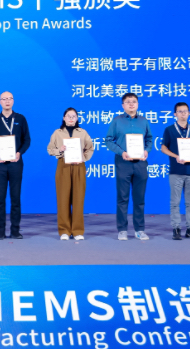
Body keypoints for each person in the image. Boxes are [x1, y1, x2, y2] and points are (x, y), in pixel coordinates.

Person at [105, 93, 153, 241]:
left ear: (137, 104)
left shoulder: (144, 121)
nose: (131, 104)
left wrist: (146, 150)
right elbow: (108, 140)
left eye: (134, 101)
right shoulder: (117, 121)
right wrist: (122, 152)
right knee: (122, 198)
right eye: (128, 102)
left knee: (139, 199)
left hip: (140, 163)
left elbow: (149, 139)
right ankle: (122, 230)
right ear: (123, 105)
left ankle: (139, 229)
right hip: (123, 163)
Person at [0, 91, 31, 240]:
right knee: (0, 198)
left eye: (9, 99)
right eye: (4, 99)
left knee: (15, 198)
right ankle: (0, 230)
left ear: (13, 101)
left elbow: (27, 140)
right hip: (0, 164)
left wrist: (19, 153)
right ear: (0, 102)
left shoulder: (20, 119)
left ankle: (15, 230)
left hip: (16, 163)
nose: (7, 101)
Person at [47, 107, 95, 240]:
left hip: (79, 165)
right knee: (63, 199)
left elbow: (90, 148)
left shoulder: (83, 132)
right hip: (63, 165)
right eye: (69, 116)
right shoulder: (57, 133)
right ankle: (64, 231)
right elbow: (50, 149)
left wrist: (83, 158)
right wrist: (60, 150)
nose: (71, 118)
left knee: (78, 198)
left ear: (77, 118)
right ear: (64, 118)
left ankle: (78, 231)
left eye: (74, 116)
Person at [160, 102, 190, 240]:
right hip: (176, 170)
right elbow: (163, 148)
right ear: (175, 114)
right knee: (175, 202)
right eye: (180, 111)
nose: (183, 113)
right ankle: (176, 228)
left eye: (185, 111)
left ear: (189, 113)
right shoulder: (169, 130)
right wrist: (176, 156)